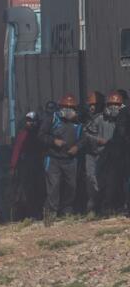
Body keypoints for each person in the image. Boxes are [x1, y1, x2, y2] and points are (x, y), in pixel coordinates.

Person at [41, 94, 83, 225]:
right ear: (60, 107)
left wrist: (77, 147)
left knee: (71, 186)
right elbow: (41, 135)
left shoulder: (79, 122)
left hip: (70, 159)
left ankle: (66, 211)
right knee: (53, 187)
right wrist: (53, 141)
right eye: (65, 107)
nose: (68, 110)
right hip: (53, 159)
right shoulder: (52, 119)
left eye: (71, 108)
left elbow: (85, 138)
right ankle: (51, 213)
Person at [82, 91, 120, 216]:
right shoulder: (98, 119)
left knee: (111, 182)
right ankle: (92, 208)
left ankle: (108, 206)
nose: (114, 108)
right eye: (111, 105)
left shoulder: (122, 119)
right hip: (94, 155)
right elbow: (86, 134)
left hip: (111, 156)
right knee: (92, 180)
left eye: (117, 105)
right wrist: (97, 140)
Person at [10, 111, 45, 221]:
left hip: (39, 164)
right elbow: (17, 150)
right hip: (27, 165)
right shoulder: (23, 134)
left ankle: (40, 212)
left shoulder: (41, 133)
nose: (29, 123)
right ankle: (32, 213)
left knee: (40, 189)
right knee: (28, 190)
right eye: (28, 121)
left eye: (31, 121)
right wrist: (13, 166)